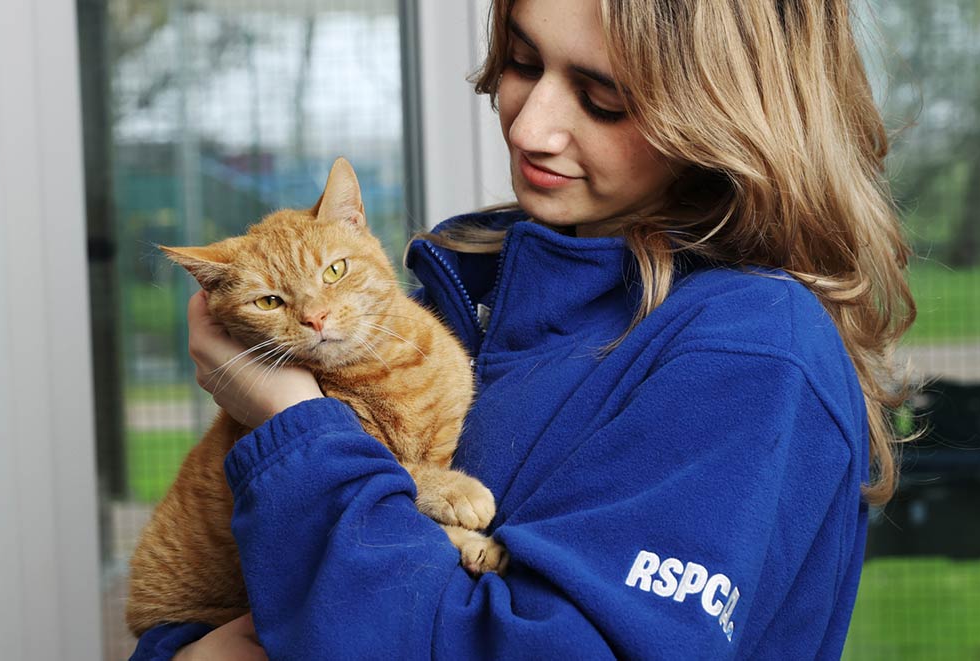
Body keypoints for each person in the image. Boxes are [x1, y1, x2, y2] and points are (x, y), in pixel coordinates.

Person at [132, 0, 915, 658]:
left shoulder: (752, 355)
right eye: (521, 61)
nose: (530, 128)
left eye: (602, 97)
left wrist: (293, 423)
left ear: (727, 115)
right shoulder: (458, 295)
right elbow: (209, 599)